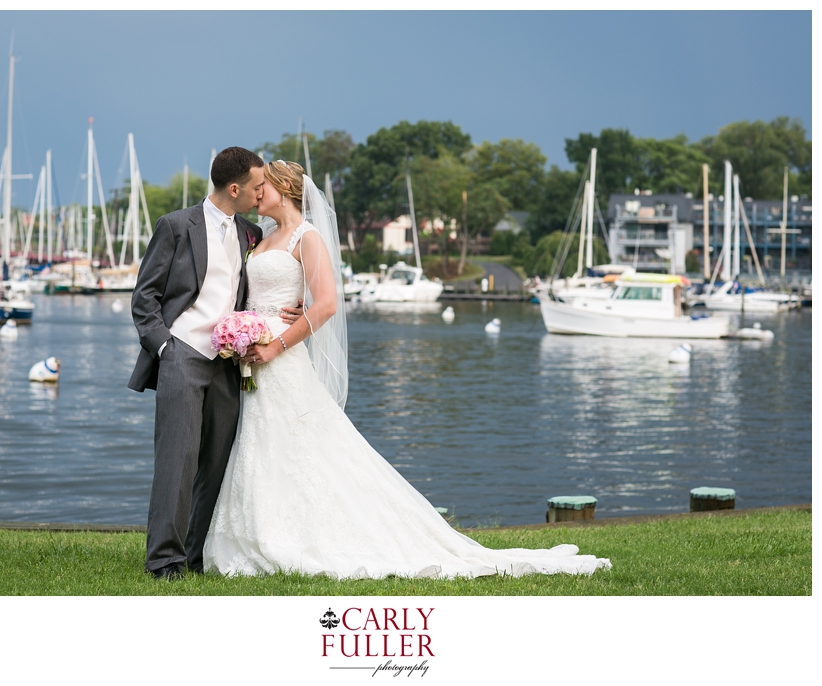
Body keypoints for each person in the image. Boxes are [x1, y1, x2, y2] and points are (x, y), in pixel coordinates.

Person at [202, 161, 611, 579]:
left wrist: (276, 346)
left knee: (301, 448)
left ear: (285, 188)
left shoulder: (307, 238)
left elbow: (326, 304)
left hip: (281, 359)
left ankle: (305, 535)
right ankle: (259, 532)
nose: (256, 194)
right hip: (253, 358)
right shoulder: (260, 239)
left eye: (262, 187)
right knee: (263, 446)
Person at [129, 147, 300, 579]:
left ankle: (195, 553)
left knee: (216, 462)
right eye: (259, 186)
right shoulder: (175, 226)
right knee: (177, 461)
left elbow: (259, 288)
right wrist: (165, 348)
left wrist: (288, 313)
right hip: (183, 354)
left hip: (228, 362)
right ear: (236, 187)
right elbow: (144, 298)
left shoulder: (250, 234)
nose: (263, 193)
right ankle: (163, 560)